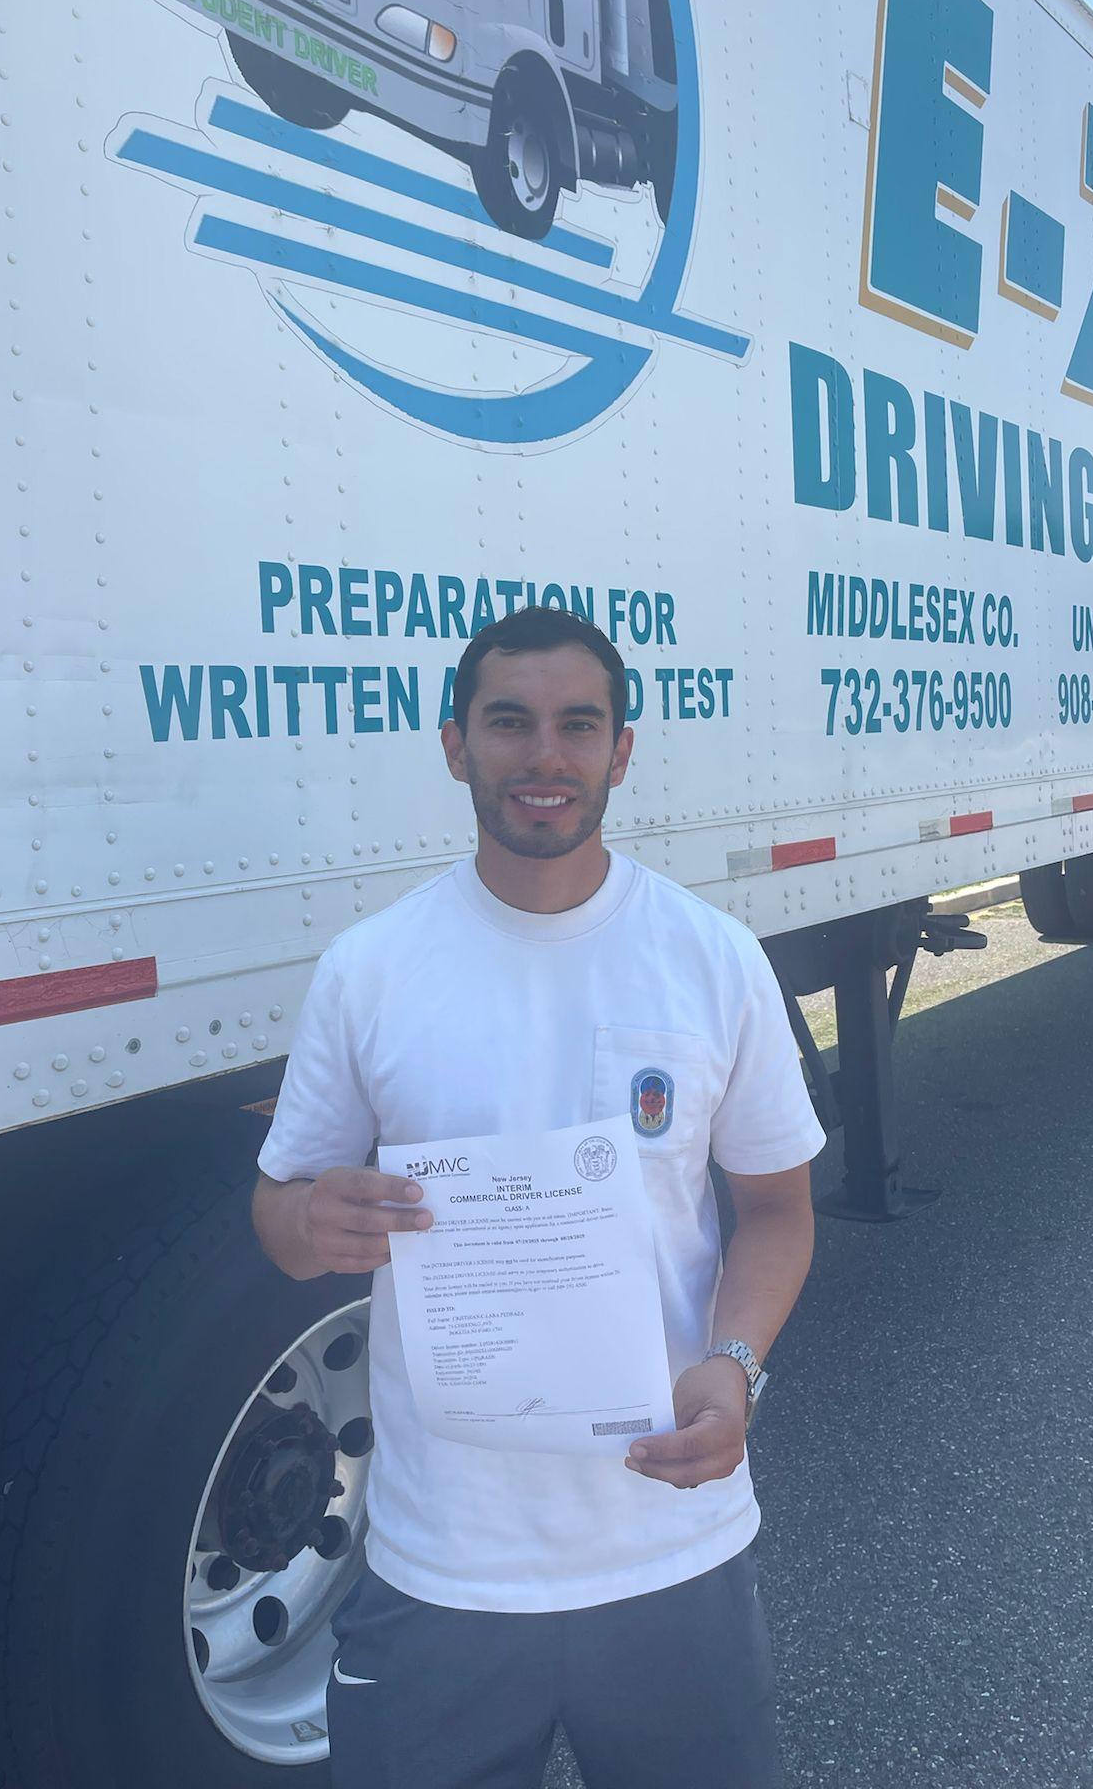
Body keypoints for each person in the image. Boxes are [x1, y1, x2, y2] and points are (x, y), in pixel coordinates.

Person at [252, 605, 825, 1789]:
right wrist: (311, 1220)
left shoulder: (713, 957)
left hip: (670, 1546)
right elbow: (280, 1219)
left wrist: (735, 1363)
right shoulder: (370, 969)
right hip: (442, 1563)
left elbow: (776, 1208)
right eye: (509, 722)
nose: (544, 756)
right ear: (454, 743)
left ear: (623, 750)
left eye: (579, 724)